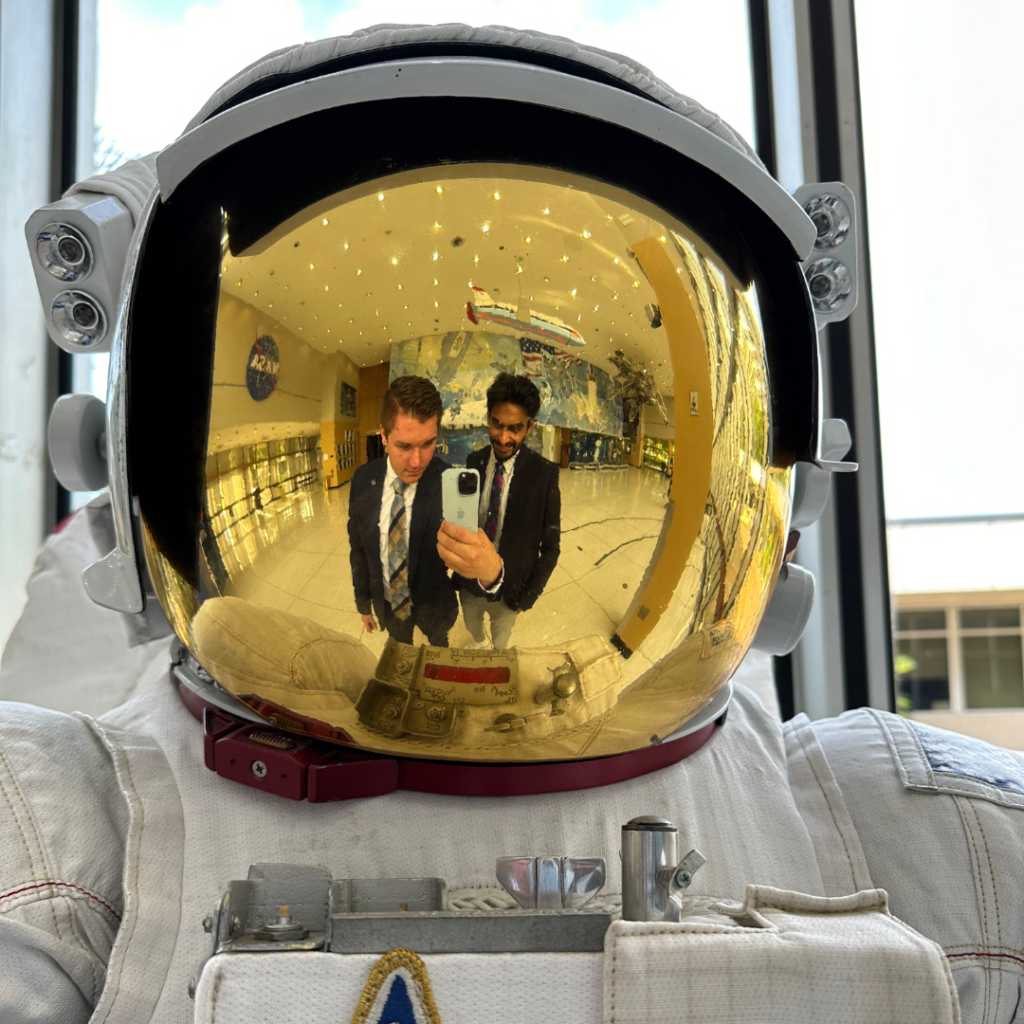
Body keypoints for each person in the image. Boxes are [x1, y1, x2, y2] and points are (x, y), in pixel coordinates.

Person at [0, 24, 1020, 1024]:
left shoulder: (926, 836)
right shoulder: (56, 838)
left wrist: (497, 583)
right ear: (135, 472)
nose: (480, 439)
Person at [437, 373, 560, 649]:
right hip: (469, 581)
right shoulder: (474, 460)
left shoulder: (545, 474)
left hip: (511, 591)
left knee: (501, 640)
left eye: (514, 428)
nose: (503, 438)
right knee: (471, 625)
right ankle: (479, 642)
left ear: (530, 427)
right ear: (488, 418)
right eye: (496, 424)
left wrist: (528, 597)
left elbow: (551, 548)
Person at [347, 375, 457, 646]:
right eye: (404, 446)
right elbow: (359, 550)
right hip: (389, 603)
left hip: (434, 603)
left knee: (439, 645)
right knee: (401, 652)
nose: (417, 461)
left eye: (428, 444)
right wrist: (363, 603)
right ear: (383, 435)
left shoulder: (447, 480)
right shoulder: (362, 480)